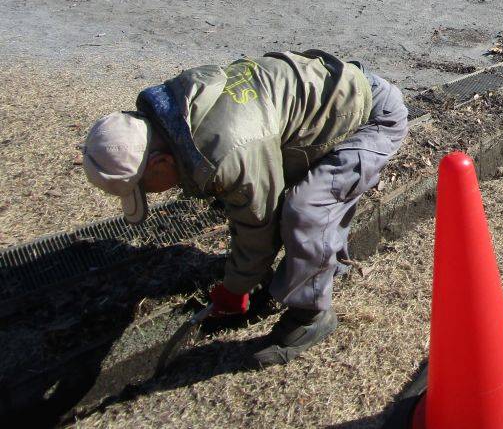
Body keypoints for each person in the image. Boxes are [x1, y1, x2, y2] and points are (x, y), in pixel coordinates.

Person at [81, 50, 408, 367]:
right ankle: (324, 266)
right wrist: (246, 277)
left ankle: (311, 317)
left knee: (305, 212)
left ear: (161, 161)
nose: (152, 193)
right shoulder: (176, 112)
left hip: (371, 117)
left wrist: (236, 288)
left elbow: (260, 223)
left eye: (145, 187)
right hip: (330, 103)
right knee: (308, 202)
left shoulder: (227, 147)